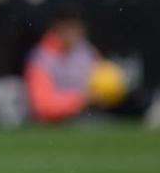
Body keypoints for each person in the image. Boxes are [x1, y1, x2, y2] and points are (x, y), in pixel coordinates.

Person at [25, 10, 153, 124]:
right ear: (57, 28)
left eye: (76, 28)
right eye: (69, 27)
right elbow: (42, 106)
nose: (73, 33)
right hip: (61, 121)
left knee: (136, 100)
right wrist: (81, 100)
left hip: (91, 112)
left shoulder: (85, 50)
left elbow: (103, 78)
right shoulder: (42, 57)